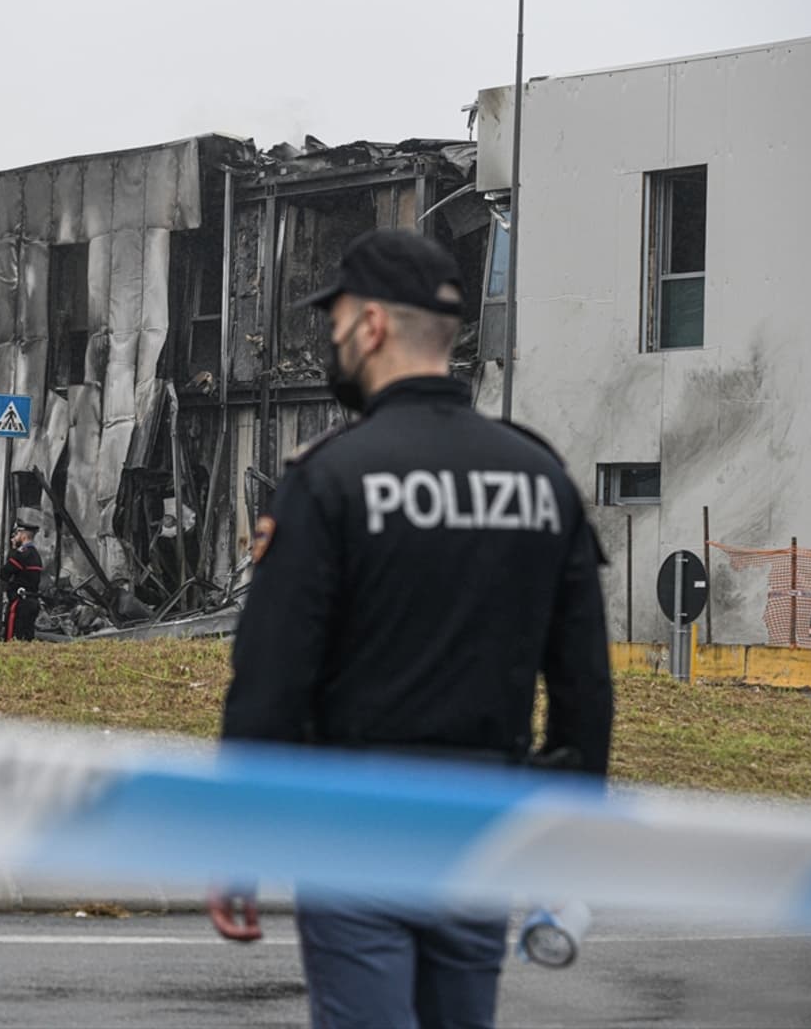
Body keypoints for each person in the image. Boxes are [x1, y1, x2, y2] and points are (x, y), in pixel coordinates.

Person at [212, 228, 614, 1029]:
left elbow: (270, 679)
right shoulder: (541, 477)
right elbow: (584, 687)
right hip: (481, 826)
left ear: (370, 327)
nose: (333, 348)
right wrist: (566, 841)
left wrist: (237, 843)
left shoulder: (329, 478)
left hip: (357, 825)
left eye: (334, 331)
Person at [0, 521, 43, 641]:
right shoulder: (36, 554)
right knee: (27, 639)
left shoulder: (22, 553)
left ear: (23, 535)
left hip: (19, 603)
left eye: (16, 534)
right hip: (32, 600)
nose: (14, 538)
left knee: (12, 638)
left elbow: (4, 573)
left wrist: (13, 549)